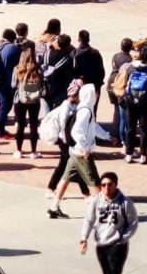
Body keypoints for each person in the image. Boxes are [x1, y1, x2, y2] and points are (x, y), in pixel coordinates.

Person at [79, 171, 140, 274]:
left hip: (117, 245)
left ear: (115, 185)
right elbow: (89, 220)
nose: (106, 187)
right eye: (103, 185)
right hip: (101, 244)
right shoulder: (96, 201)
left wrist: (123, 238)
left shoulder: (125, 203)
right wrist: (83, 238)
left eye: (109, 184)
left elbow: (133, 223)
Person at [48, 83, 114, 219]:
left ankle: (54, 207)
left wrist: (107, 136)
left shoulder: (84, 108)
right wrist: (85, 147)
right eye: (94, 92)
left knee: (65, 178)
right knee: (94, 181)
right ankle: (104, 212)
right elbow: (77, 131)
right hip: (81, 153)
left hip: (74, 151)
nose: (96, 95)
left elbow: (93, 127)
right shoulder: (86, 110)